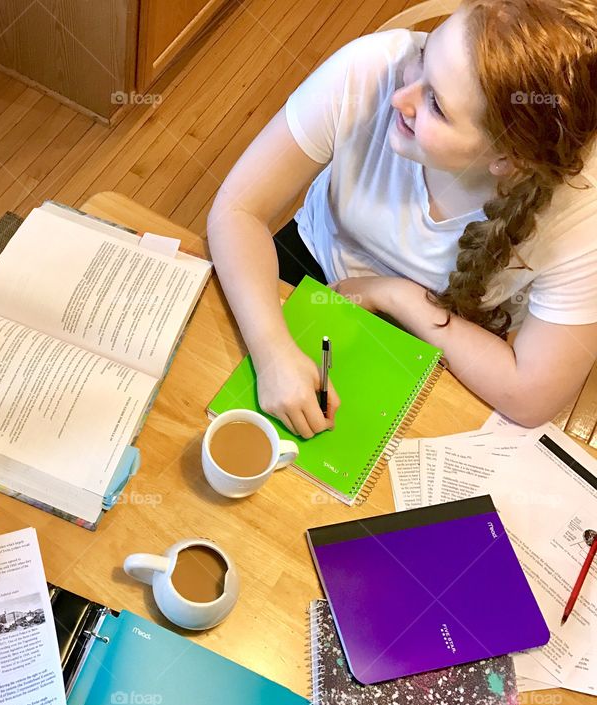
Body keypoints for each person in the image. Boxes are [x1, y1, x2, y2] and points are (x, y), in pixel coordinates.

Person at [208, 0, 597, 439]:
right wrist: (273, 353)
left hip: (457, 325)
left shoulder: (584, 212)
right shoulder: (369, 69)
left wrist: (396, 296)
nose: (399, 95)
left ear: (508, 160)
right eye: (424, 57)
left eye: (437, 105)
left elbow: (531, 396)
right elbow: (236, 210)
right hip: (314, 258)